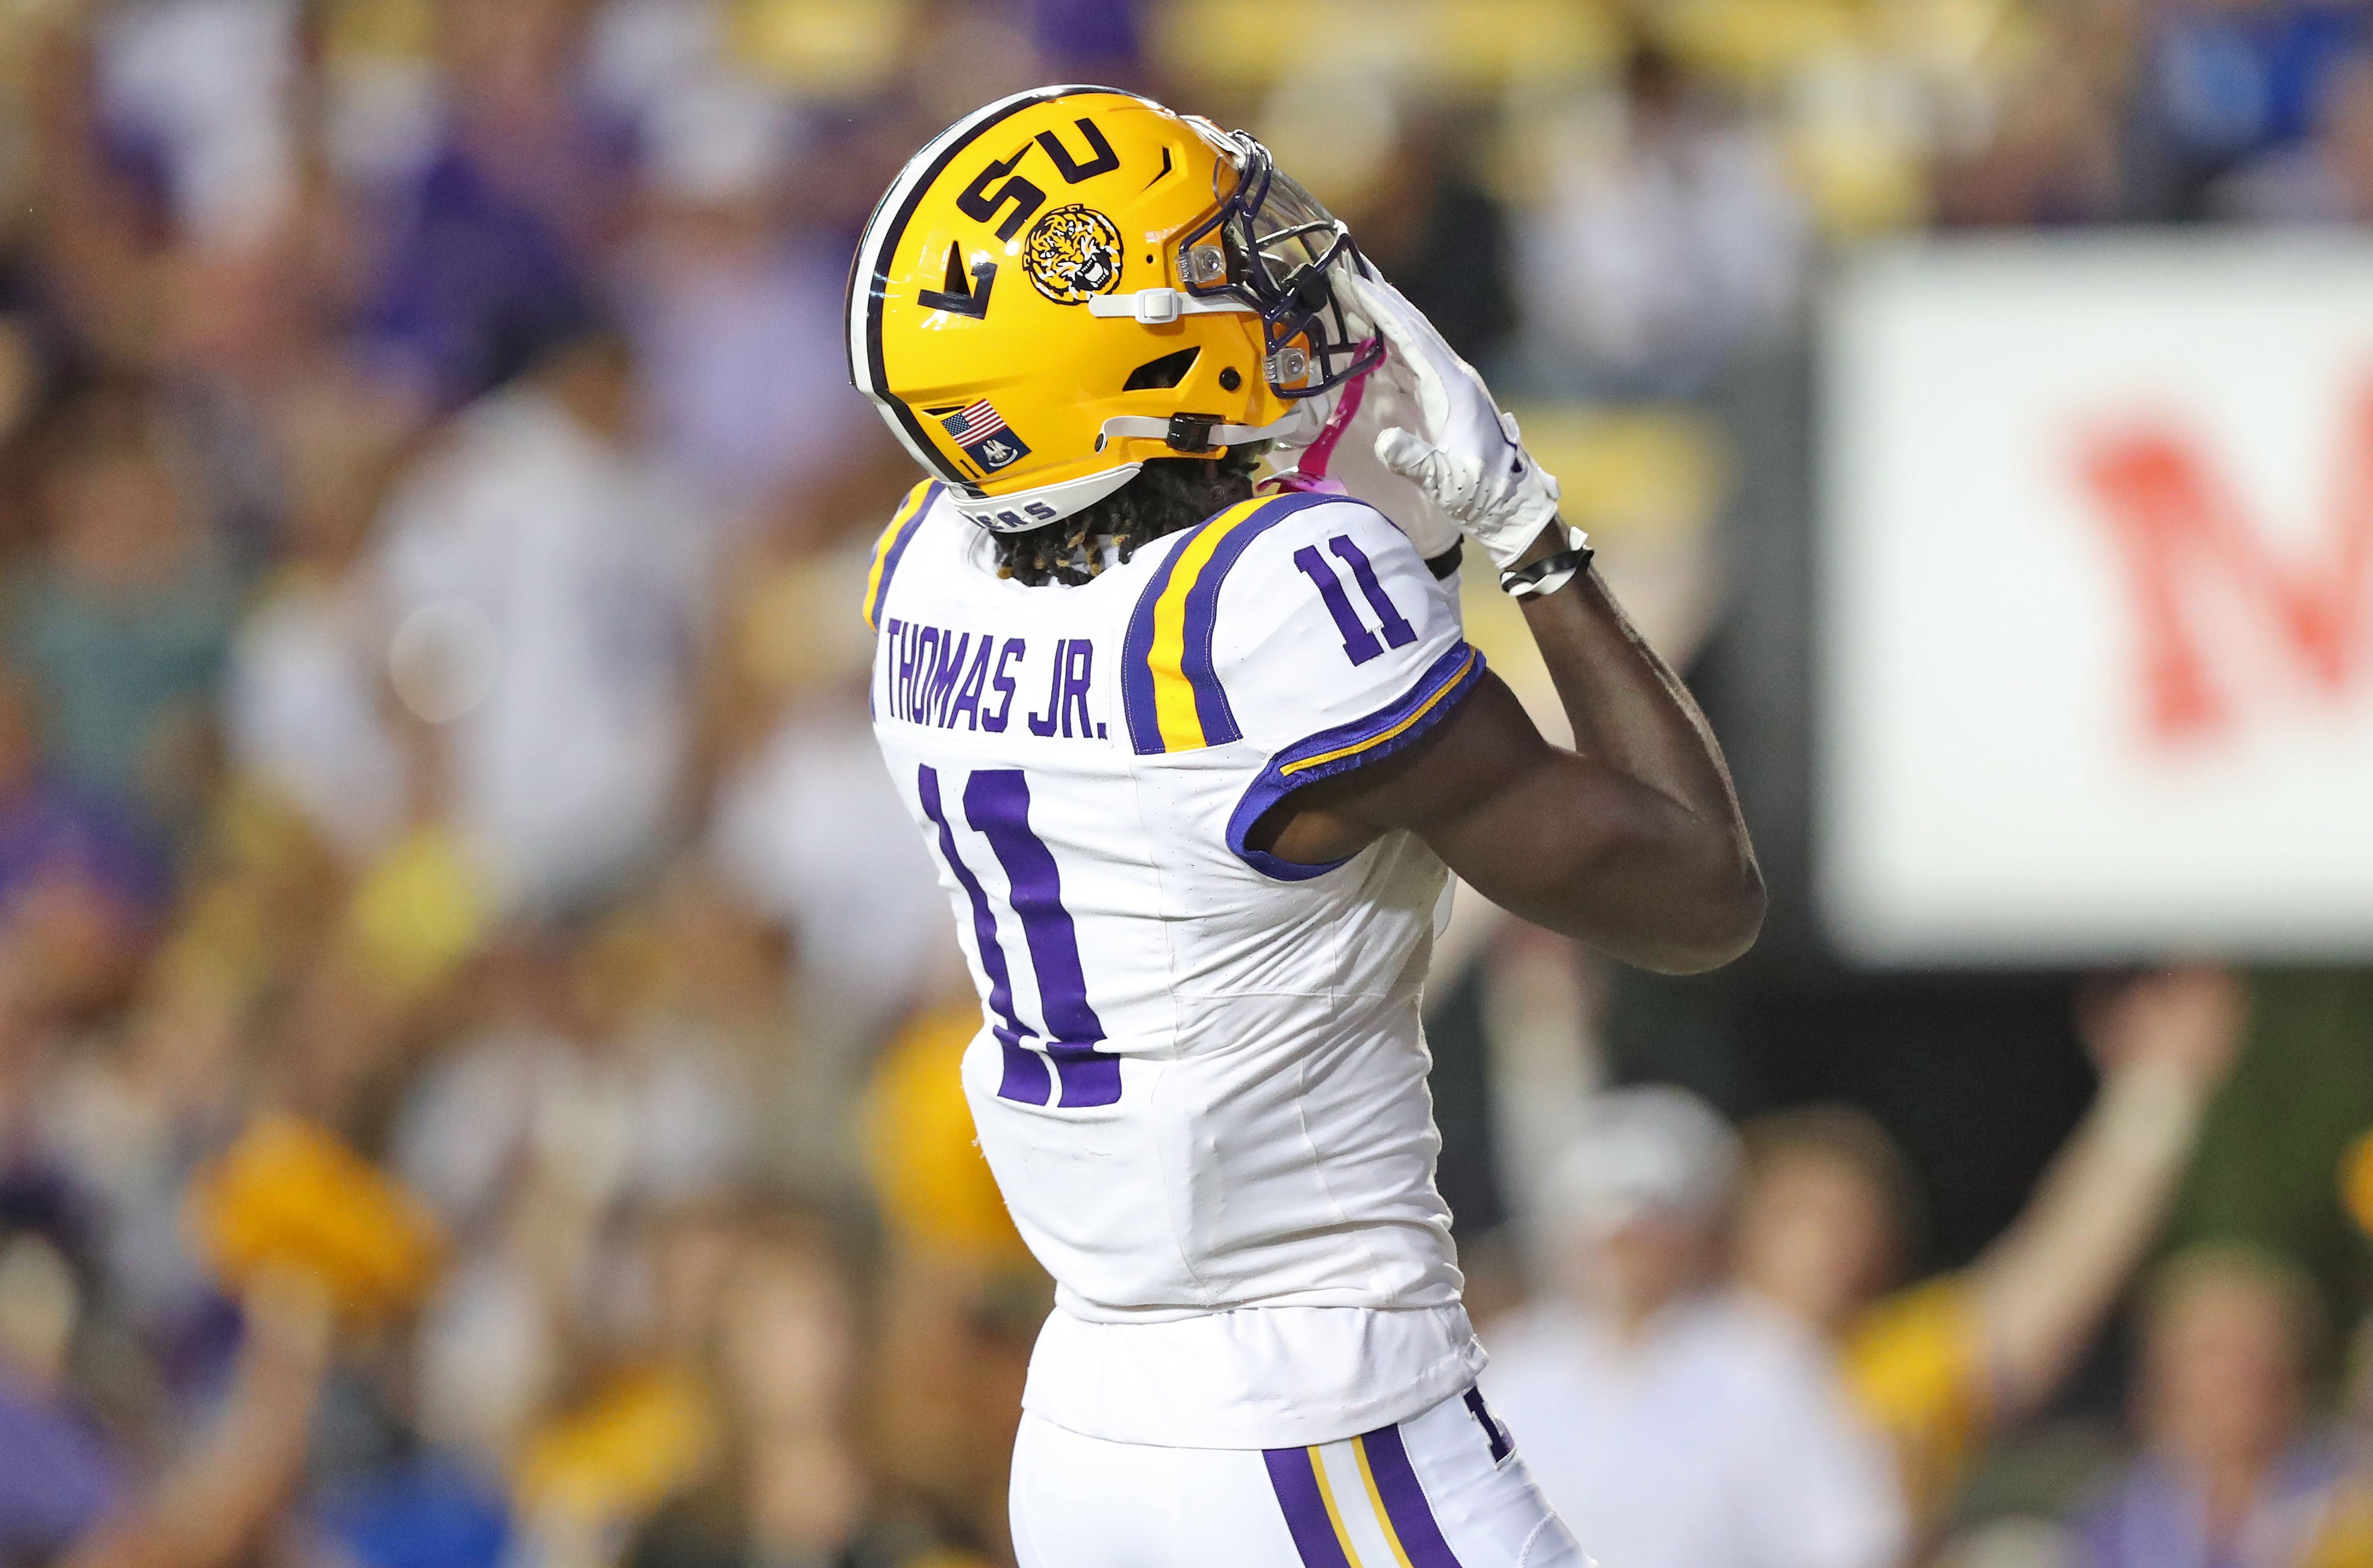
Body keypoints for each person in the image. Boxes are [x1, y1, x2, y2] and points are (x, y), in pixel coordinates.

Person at [845, 86, 1762, 1566]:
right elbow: (1698, 892)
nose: (1262, 289)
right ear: (1107, 350)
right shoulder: (1273, 604)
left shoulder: (922, 567)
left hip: (1084, 1422)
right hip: (1303, 1423)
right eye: (1206, 269)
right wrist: (1525, 527)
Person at [1733, 968, 2246, 1531]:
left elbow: (2053, 1279)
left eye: (1859, 1219)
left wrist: (2157, 1091)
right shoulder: (1679, 1352)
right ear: (1737, 1232)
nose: (1836, 1239)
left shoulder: (1887, 1370)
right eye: (1802, 1212)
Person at [1483, 1088, 1906, 1568]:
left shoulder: (1769, 1363)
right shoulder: (1508, 1371)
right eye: (1612, 1232)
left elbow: (1848, 1542)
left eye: (1651, 1228)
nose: (1629, 1251)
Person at [2076, 1245, 2342, 1568]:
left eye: (2253, 1351)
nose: (2234, 1375)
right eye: (2211, 1352)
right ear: (2161, 1377)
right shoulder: (2111, 1524)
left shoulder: (2345, 1504)